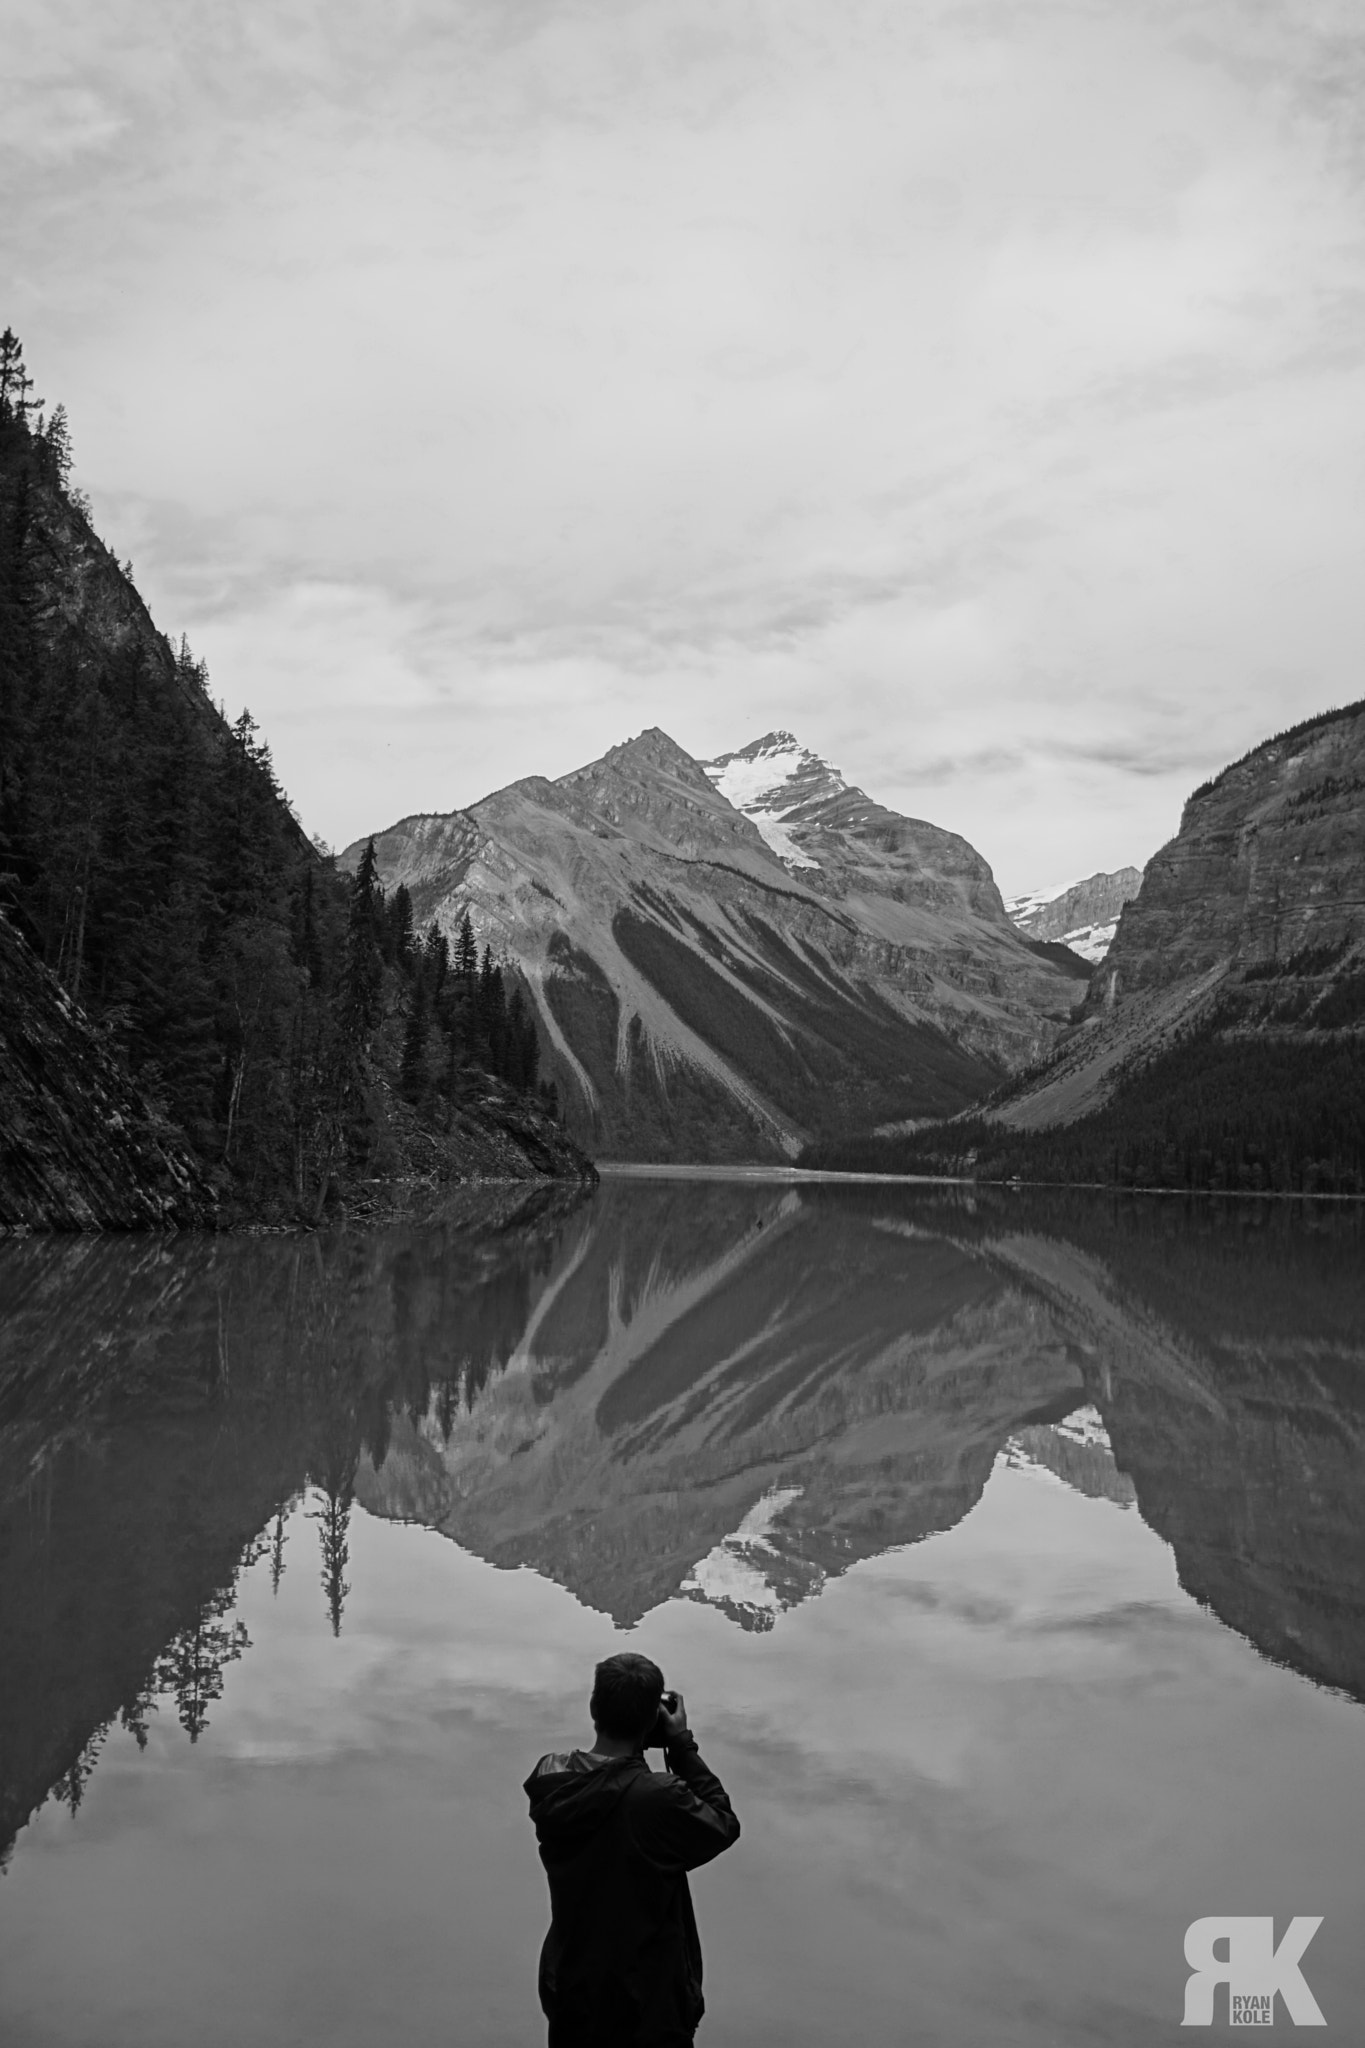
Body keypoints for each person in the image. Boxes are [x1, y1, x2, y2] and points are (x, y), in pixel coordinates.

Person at [524, 1652, 740, 2047]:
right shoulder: (658, 1800)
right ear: (650, 1722)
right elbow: (722, 1824)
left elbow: (608, 1783)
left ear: (594, 1708)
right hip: (648, 2007)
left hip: (572, 1990)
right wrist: (681, 1746)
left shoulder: (552, 1779)